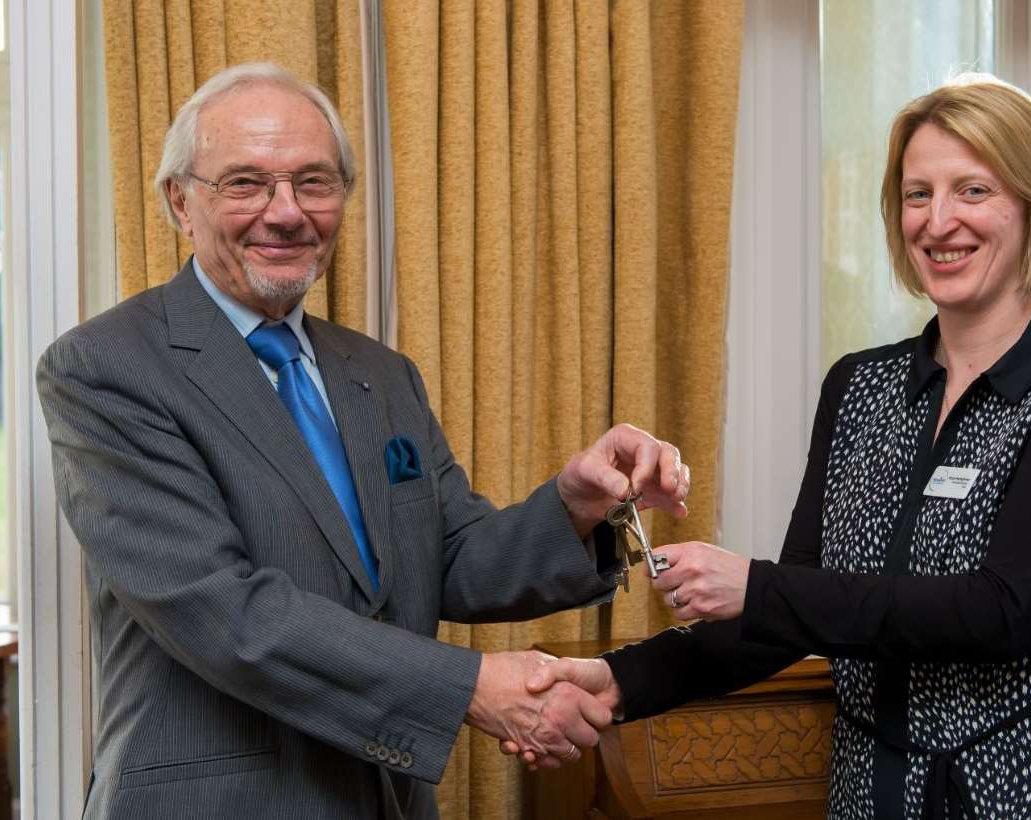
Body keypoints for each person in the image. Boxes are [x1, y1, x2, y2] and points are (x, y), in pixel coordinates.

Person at [37, 63, 689, 820]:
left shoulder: (378, 374)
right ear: (180, 202)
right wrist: (472, 689)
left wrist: (573, 506)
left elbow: (448, 561)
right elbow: (225, 614)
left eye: (314, 182)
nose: (286, 212)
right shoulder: (105, 369)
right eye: (245, 183)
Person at [518, 75, 1031, 819]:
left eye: (972, 190)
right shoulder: (859, 385)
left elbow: (1004, 610)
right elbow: (796, 610)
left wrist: (756, 586)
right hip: (866, 795)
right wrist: (618, 679)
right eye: (916, 194)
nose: (938, 221)